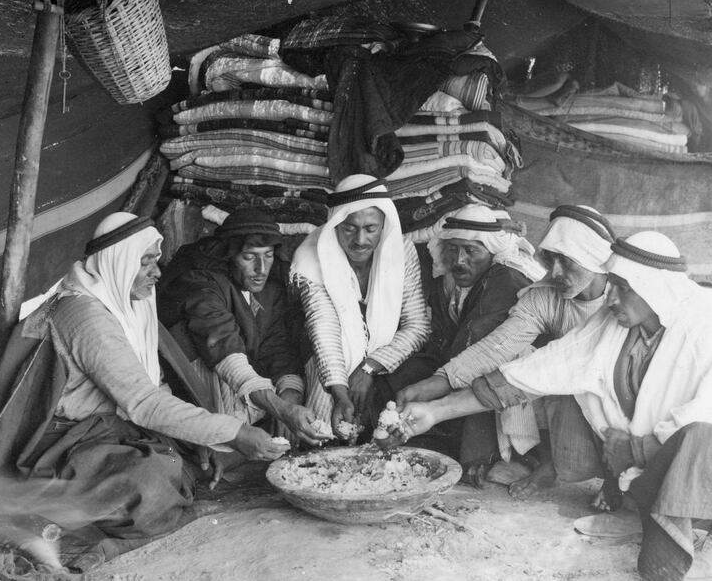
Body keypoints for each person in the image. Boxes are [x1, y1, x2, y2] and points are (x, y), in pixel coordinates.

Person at [393, 231, 712, 581]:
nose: (611, 298)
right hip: (644, 461)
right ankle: (642, 511)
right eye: (612, 284)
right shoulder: (615, 323)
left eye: (624, 288)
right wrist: (438, 410)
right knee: (583, 408)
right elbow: (534, 371)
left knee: (706, 436)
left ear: (656, 288)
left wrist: (634, 447)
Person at [0, 212, 290, 561]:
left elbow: (152, 386)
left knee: (191, 459)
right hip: (61, 444)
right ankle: (64, 518)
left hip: (107, 430)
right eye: (147, 262)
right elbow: (142, 403)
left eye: (156, 261)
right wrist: (234, 432)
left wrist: (198, 438)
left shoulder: (127, 303)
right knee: (152, 481)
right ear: (119, 263)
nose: (157, 272)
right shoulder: (84, 315)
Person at [398, 204, 614, 493]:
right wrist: (438, 386)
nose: (557, 272)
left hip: (617, 401)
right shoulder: (545, 298)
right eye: (551, 260)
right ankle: (551, 462)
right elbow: (496, 348)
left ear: (594, 258)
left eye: (568, 261)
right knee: (526, 363)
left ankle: (614, 477)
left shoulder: (623, 301)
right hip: (569, 395)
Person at [375, 203, 544, 461]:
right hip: (455, 365)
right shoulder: (449, 281)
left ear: (491, 251)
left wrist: (432, 385)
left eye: (471, 251)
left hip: (496, 369)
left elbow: (478, 344)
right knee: (398, 376)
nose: (459, 261)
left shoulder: (506, 278)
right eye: (452, 250)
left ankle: (479, 459)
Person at [157, 208, 328, 447]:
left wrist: (290, 398)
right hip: (198, 388)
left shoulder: (269, 289)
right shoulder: (201, 284)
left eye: (268, 255)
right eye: (249, 257)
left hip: (243, 387)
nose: (261, 268)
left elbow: (276, 347)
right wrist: (281, 409)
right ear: (228, 256)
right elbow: (223, 348)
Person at [289, 174, 431, 435]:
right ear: (335, 225)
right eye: (349, 228)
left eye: (371, 228)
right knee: (326, 420)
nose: (360, 240)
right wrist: (340, 392)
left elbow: (417, 326)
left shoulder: (401, 250)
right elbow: (324, 327)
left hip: (385, 353)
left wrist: (369, 367)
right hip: (327, 352)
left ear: (384, 226)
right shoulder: (313, 255)